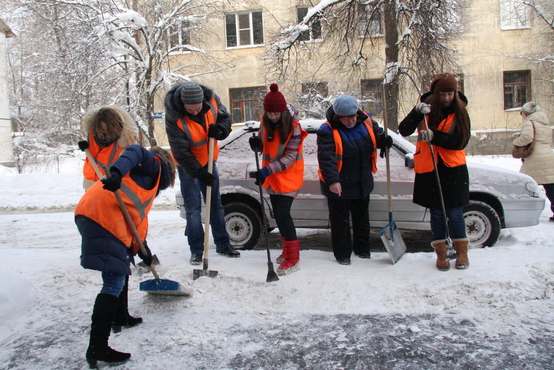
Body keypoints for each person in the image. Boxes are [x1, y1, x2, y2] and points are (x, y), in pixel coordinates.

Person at [75, 144, 175, 368]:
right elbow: (135, 150)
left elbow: (136, 226)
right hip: (102, 216)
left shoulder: (141, 183)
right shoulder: (154, 165)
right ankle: (97, 347)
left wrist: (144, 252)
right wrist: (117, 172)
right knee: (113, 280)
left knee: (121, 263)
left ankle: (121, 316)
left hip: (94, 212)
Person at [398, 73, 471, 271]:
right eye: (443, 94)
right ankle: (441, 254)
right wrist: (416, 112)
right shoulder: (425, 110)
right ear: (436, 93)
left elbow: (461, 142)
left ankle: (461, 253)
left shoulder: (460, 112)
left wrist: (435, 136)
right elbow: (404, 130)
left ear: (455, 93)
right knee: (437, 213)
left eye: (450, 94)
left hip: (453, 170)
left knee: (454, 213)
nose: (446, 98)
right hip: (429, 169)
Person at [164, 82, 240, 265]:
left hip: (209, 159)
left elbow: (225, 118)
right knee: (193, 209)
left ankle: (223, 244)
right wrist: (198, 172)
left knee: (215, 204)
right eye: (191, 110)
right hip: (188, 166)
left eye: (198, 108)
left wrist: (221, 129)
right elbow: (181, 152)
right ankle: (197, 250)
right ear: (183, 104)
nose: (196, 112)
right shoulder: (173, 117)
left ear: (203, 101)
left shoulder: (212, 101)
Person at [317, 95, 392, 265]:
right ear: (338, 116)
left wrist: (384, 140)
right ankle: (343, 254)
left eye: (352, 116)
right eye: (345, 118)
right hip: (339, 182)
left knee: (362, 219)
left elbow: (377, 136)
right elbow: (326, 158)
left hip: (362, 180)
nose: (350, 121)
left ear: (357, 113)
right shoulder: (327, 130)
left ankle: (362, 249)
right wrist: (333, 181)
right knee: (340, 222)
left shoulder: (366, 122)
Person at [248, 84, 308, 275]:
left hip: (288, 177)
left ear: (283, 112)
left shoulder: (294, 127)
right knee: (277, 214)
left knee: (283, 214)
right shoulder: (265, 121)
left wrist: (265, 171)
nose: (273, 116)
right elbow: (263, 146)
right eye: (270, 113)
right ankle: (287, 250)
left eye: (276, 113)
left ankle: (293, 257)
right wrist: (256, 145)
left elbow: (290, 157)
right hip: (273, 177)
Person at [78, 105, 138, 190]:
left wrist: (116, 177)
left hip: (109, 184)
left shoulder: (124, 142)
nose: (104, 131)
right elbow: (94, 152)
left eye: (106, 129)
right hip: (90, 180)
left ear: (114, 126)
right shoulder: (92, 133)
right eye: (101, 128)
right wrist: (85, 145)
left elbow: (127, 165)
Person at [512, 102, 554, 221]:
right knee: (551, 187)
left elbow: (527, 137)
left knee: (523, 183)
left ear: (525, 113)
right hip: (548, 156)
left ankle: (519, 210)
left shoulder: (529, 122)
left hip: (535, 158)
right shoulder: (544, 123)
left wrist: (516, 142)